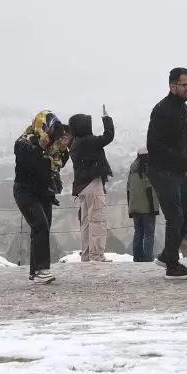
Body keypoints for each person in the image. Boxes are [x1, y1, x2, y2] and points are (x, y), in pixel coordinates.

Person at [146, 67, 187, 280]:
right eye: (185, 85)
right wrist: (179, 159)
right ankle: (172, 265)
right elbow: (154, 144)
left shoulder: (181, 107)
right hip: (162, 170)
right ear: (172, 86)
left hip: (177, 170)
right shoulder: (163, 110)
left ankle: (168, 254)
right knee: (175, 216)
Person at [13, 111, 71, 284]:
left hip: (44, 191)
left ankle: (35, 271)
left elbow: (57, 165)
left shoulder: (52, 145)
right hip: (25, 191)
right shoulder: (23, 143)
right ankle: (41, 269)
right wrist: (39, 147)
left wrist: (63, 147)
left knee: (41, 230)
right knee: (40, 226)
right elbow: (29, 165)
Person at [67, 107, 115, 262]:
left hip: (82, 187)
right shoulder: (88, 141)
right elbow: (108, 136)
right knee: (98, 220)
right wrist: (107, 119)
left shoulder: (75, 143)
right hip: (93, 184)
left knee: (86, 222)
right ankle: (97, 255)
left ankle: (87, 254)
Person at [126, 147, 158, 262]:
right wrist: (154, 208)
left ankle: (137, 257)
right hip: (147, 208)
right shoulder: (148, 170)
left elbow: (128, 190)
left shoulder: (131, 172)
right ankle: (148, 257)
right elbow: (150, 190)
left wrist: (130, 208)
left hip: (134, 207)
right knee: (149, 233)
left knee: (138, 233)